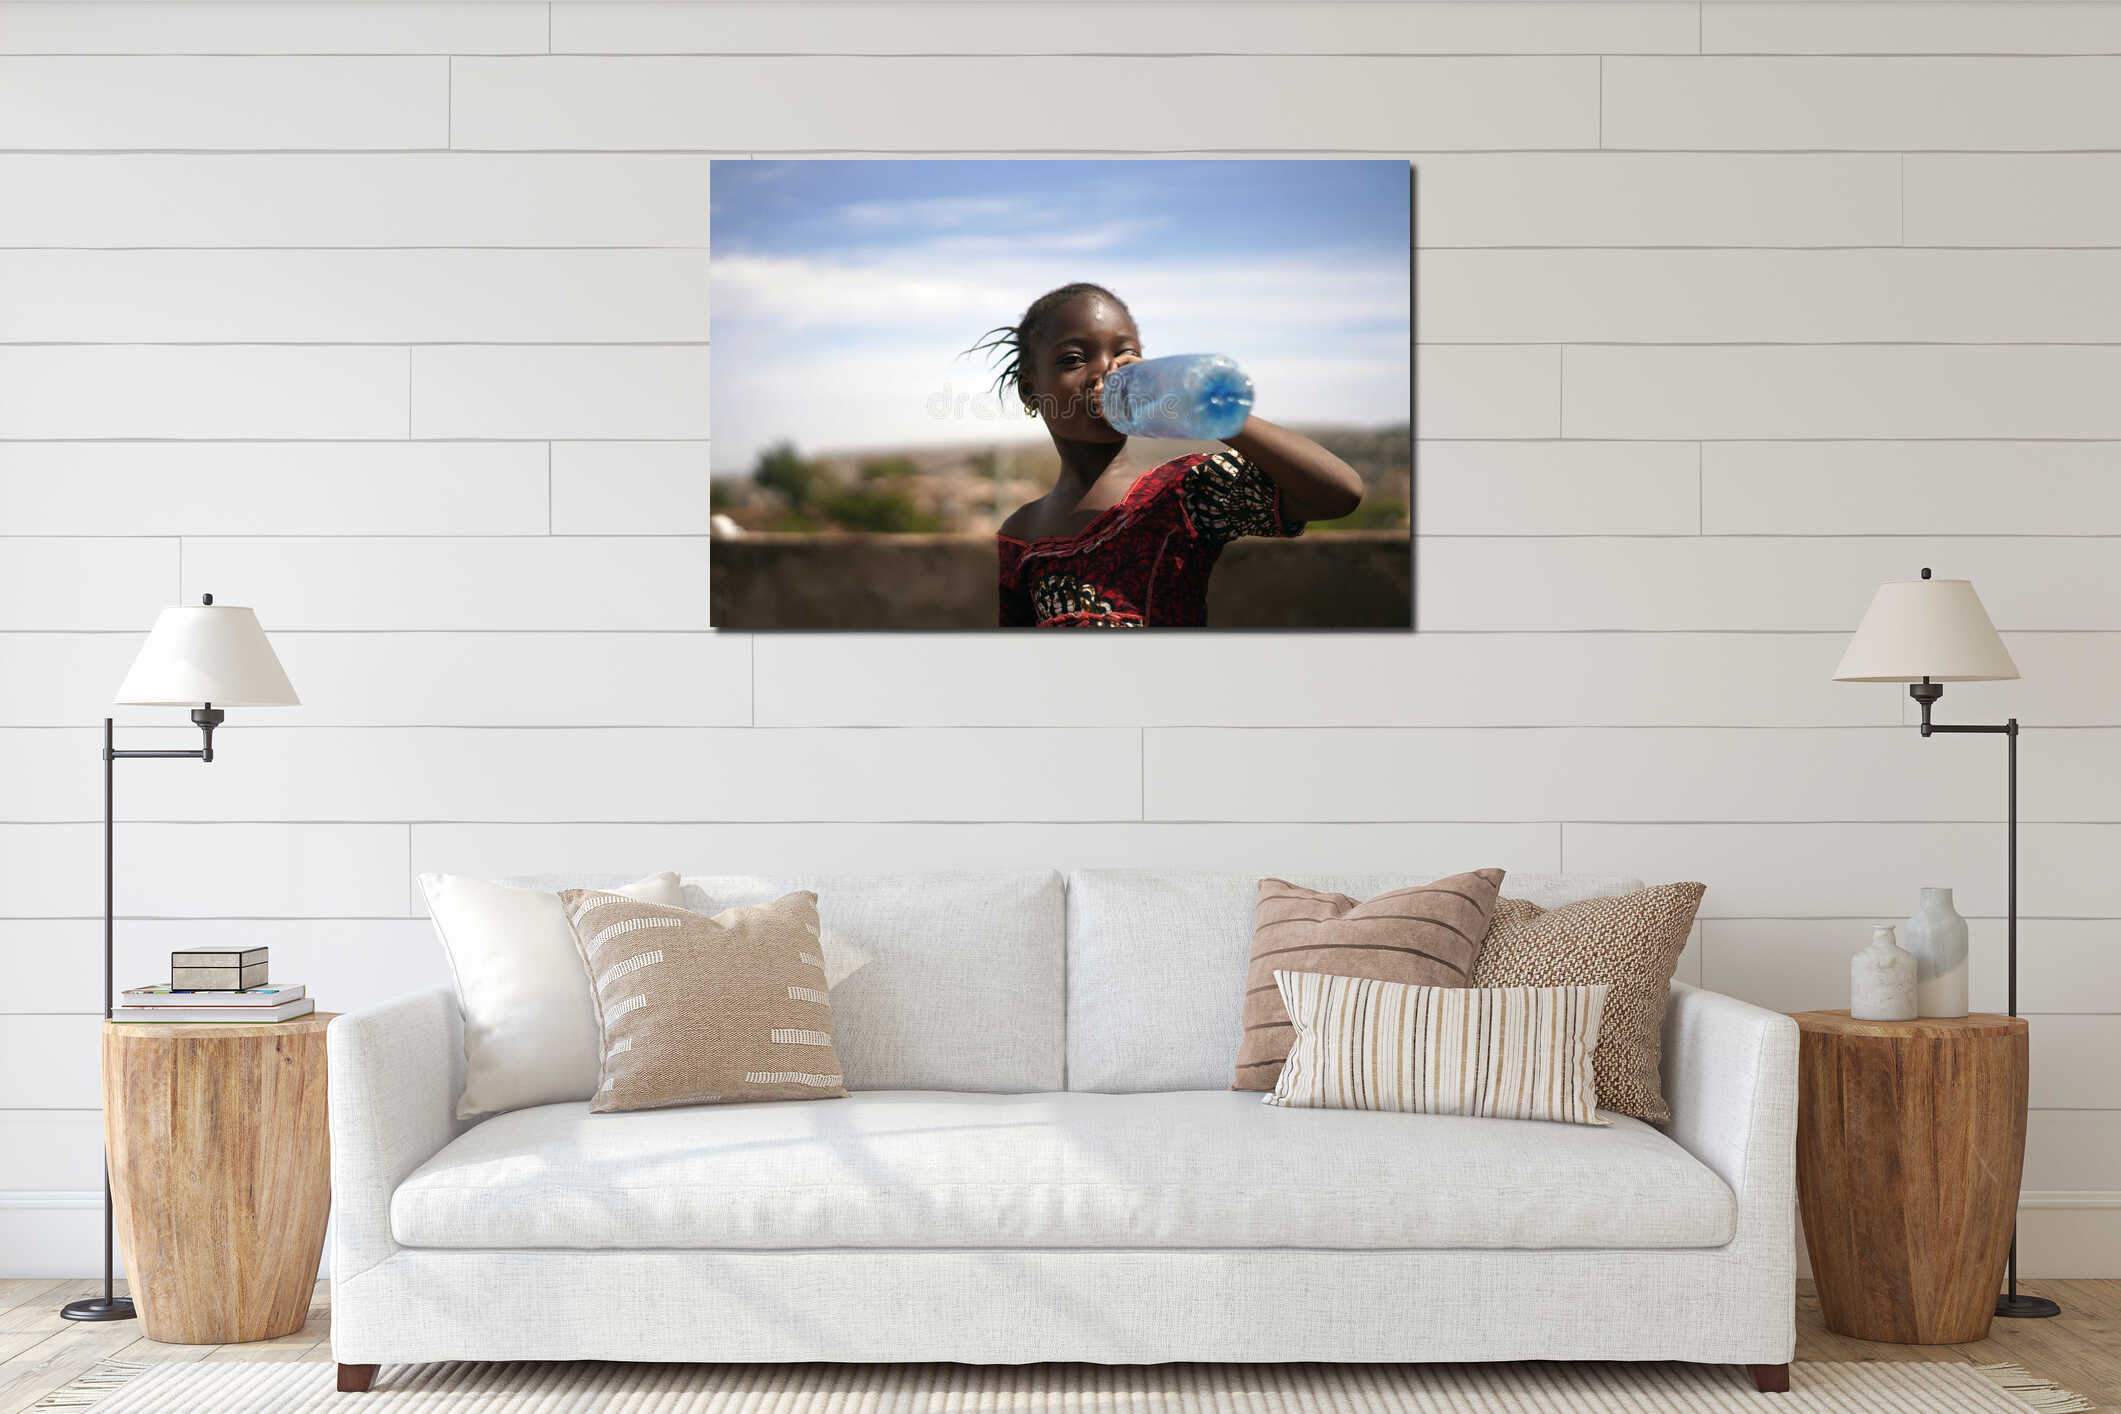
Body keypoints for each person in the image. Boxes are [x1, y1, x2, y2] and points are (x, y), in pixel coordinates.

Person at [973, 283, 1363, 628]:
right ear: (1030, 390)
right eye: (1074, 359)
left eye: (1125, 355)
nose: (1107, 372)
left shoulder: (1183, 490)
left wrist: (1213, 410)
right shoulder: (1021, 531)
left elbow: (1338, 492)